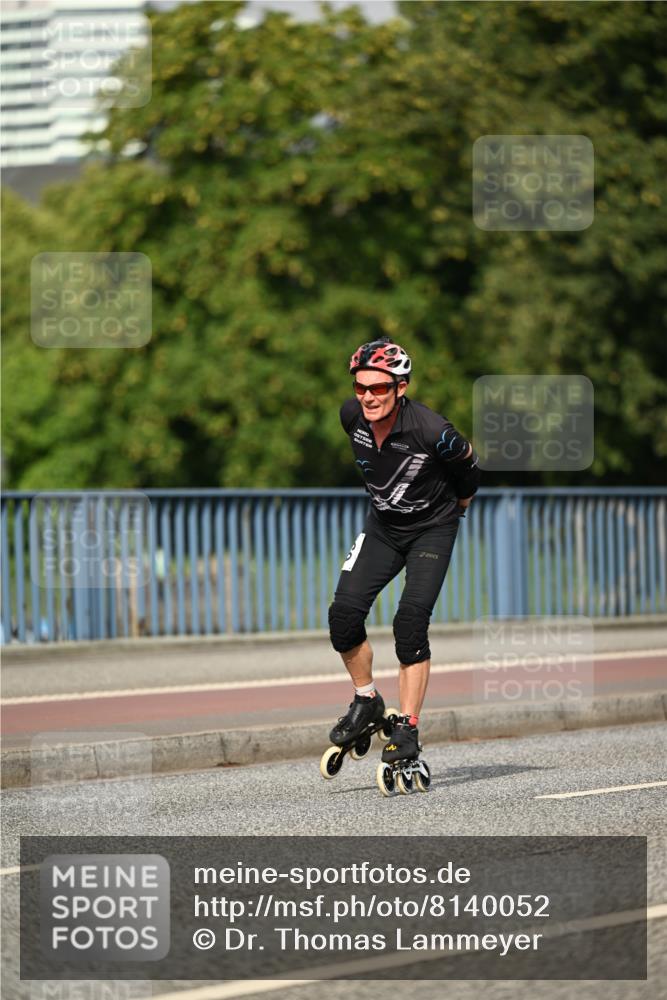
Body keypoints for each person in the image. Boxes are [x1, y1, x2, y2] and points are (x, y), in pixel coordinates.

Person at [328, 336, 480, 765]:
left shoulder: (433, 431)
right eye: (361, 387)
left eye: (379, 388)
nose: (368, 397)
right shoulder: (350, 417)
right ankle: (367, 700)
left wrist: (460, 505)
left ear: (401, 387)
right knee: (342, 616)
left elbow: (469, 468)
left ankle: (408, 730)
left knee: (409, 622)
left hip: (432, 530)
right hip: (382, 528)